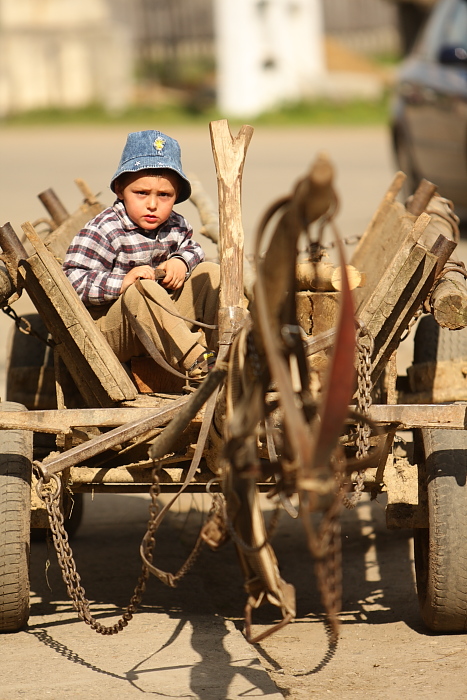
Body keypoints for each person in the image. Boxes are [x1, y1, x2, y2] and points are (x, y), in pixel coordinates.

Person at [63, 129, 219, 381]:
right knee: (144, 290)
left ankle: (230, 350)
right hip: (113, 332)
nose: (153, 205)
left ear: (176, 196)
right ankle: (201, 364)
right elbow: (71, 280)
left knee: (211, 272)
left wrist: (181, 261)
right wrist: (122, 283)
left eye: (164, 195)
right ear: (120, 190)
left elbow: (194, 249)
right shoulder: (105, 228)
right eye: (141, 193)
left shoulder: (175, 224)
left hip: (163, 323)